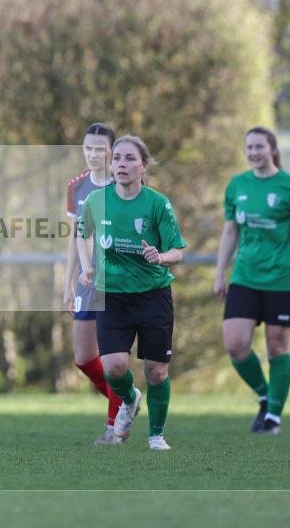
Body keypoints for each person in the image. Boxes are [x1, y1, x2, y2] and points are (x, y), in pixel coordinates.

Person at [77, 135, 186, 450]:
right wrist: (86, 267)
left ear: (143, 165)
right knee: (114, 368)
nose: (121, 165)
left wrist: (160, 256)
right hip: (110, 295)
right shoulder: (98, 200)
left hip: (153, 295)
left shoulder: (157, 204)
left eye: (129, 159)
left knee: (156, 370)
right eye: (118, 159)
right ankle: (129, 398)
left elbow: (177, 250)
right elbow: (82, 234)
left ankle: (156, 435)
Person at [214, 126, 290, 435]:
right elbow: (230, 231)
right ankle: (264, 394)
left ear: (272, 149)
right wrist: (220, 273)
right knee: (235, 345)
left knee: (277, 346)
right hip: (245, 276)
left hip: (282, 279)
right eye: (249, 147)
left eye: (259, 146)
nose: (253, 153)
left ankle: (273, 417)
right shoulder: (237, 186)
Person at [63, 123, 122, 445]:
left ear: (112, 150)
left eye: (100, 148)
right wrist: (67, 283)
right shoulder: (77, 186)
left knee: (113, 356)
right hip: (87, 281)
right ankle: (125, 398)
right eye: (88, 148)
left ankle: (115, 424)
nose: (94, 154)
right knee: (84, 357)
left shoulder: (125, 184)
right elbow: (75, 237)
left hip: (119, 281)